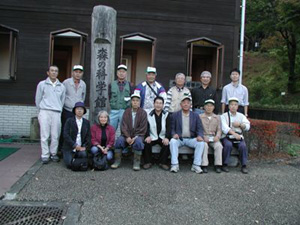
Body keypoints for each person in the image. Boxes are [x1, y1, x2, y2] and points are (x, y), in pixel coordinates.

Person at [35, 65, 66, 164]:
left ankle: (53, 153)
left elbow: (62, 100)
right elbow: (38, 99)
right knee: (44, 135)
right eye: (52, 71)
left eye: (56, 71)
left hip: (56, 112)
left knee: (55, 135)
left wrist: (59, 110)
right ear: (48, 73)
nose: (54, 72)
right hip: (44, 111)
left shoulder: (61, 86)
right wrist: (40, 110)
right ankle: (45, 155)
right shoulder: (42, 84)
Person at [111, 93, 148, 170]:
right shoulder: (126, 112)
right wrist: (127, 137)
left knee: (138, 142)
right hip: (126, 135)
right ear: (131, 102)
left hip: (138, 136)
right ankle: (117, 161)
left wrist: (134, 138)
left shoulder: (143, 113)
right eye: (133, 100)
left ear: (140, 102)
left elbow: (143, 128)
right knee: (119, 141)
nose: (135, 102)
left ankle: (136, 162)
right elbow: (123, 126)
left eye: (137, 101)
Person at [169, 96, 205, 173]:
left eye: (188, 103)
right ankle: (174, 165)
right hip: (180, 138)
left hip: (191, 139)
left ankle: (196, 165)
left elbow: (199, 128)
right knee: (172, 141)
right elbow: (172, 128)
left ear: (190, 105)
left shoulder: (195, 115)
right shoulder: (175, 115)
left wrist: (199, 135)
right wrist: (173, 134)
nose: (186, 104)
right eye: (184, 103)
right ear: (181, 104)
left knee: (201, 143)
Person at [221, 97, 250, 174]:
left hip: (238, 136)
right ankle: (225, 164)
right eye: (231, 105)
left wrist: (240, 125)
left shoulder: (241, 116)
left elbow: (247, 127)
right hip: (227, 136)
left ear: (238, 106)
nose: (233, 106)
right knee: (228, 145)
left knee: (243, 146)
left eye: (235, 105)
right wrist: (234, 134)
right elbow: (224, 128)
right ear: (228, 106)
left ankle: (244, 165)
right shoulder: (224, 116)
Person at [60, 65, 86, 149]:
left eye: (80, 72)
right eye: (76, 72)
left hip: (77, 111)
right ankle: (62, 148)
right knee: (65, 129)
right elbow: (62, 96)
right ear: (72, 72)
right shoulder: (66, 82)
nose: (78, 74)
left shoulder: (83, 84)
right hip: (67, 110)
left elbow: (83, 96)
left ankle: (75, 147)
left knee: (76, 129)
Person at [143, 96, 171, 170]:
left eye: (160, 103)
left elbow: (169, 128)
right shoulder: (149, 115)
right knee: (146, 143)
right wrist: (148, 136)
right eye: (157, 103)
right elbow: (146, 127)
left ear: (163, 105)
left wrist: (167, 137)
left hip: (162, 136)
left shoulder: (167, 115)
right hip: (152, 136)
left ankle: (162, 162)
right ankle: (148, 162)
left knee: (167, 144)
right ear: (154, 104)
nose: (158, 105)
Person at [62, 102, 90, 169]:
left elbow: (88, 136)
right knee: (69, 164)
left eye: (81, 109)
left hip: (81, 147)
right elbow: (65, 135)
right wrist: (74, 145)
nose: (79, 110)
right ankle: (74, 160)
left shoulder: (86, 122)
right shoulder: (69, 121)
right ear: (74, 110)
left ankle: (76, 160)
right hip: (70, 147)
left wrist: (85, 146)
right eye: (78, 109)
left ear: (84, 111)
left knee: (83, 154)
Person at [108, 64, 134, 131]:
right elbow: (109, 97)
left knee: (125, 130)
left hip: (125, 110)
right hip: (113, 111)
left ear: (126, 73)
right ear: (117, 73)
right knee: (111, 130)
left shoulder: (130, 85)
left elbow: (132, 98)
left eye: (123, 72)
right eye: (120, 71)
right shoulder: (111, 84)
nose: (121, 73)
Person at [200, 99, 223, 173]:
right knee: (204, 146)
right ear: (204, 107)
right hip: (204, 137)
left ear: (213, 107)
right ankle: (204, 165)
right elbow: (198, 129)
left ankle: (218, 165)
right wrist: (203, 137)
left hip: (213, 137)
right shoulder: (200, 117)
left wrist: (217, 136)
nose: (209, 107)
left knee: (218, 146)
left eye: (211, 106)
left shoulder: (217, 117)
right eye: (207, 106)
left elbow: (219, 129)